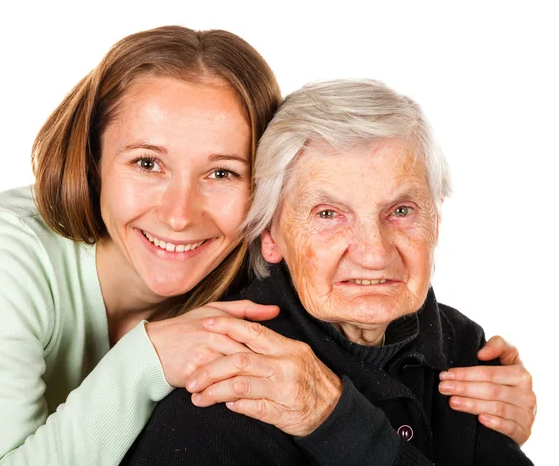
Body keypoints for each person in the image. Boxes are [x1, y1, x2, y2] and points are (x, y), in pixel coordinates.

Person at [0, 26, 533, 465]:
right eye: (147, 163)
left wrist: (485, 413)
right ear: (92, 163)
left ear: (264, 205)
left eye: (222, 173)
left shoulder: (255, 278)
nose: (180, 213)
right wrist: (146, 361)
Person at [122, 79, 534, 465]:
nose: (374, 254)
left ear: (437, 220)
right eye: (329, 214)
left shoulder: (464, 349)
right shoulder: (230, 383)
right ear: (270, 235)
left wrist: (338, 420)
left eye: (402, 211)